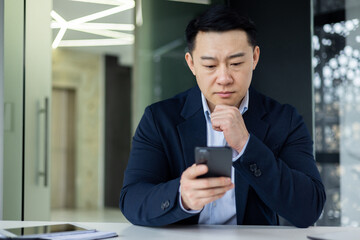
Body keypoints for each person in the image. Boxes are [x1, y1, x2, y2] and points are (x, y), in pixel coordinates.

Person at [119, 5, 325, 227]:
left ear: (254, 57)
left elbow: (308, 209)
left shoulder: (284, 120)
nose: (224, 78)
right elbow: (132, 200)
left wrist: (247, 146)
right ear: (191, 63)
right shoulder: (159, 119)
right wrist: (182, 197)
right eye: (210, 65)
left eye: (236, 63)